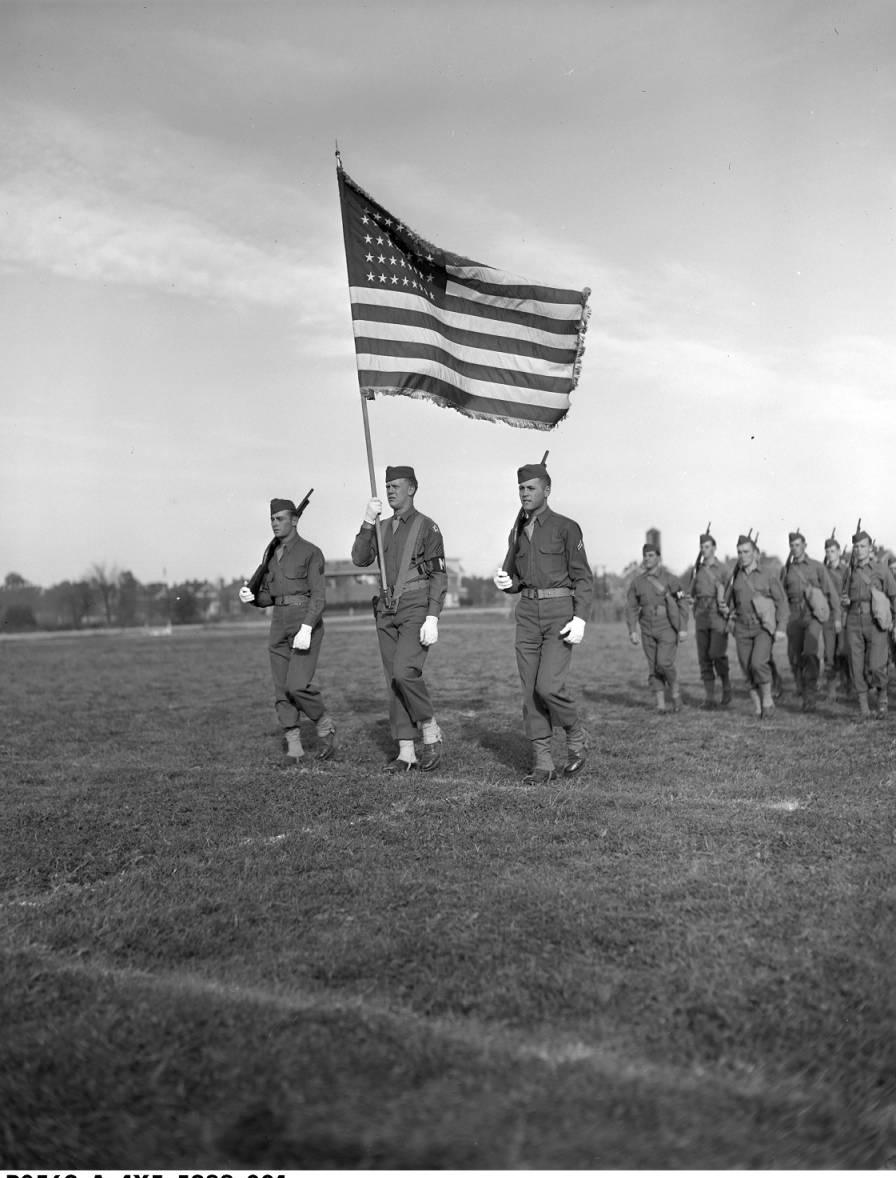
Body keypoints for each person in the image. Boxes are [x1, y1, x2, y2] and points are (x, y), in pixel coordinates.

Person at [493, 459, 593, 782]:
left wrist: (580, 618)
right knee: (529, 691)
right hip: (527, 614)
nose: (524, 493)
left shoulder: (566, 527)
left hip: (559, 614)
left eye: (530, 488)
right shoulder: (519, 530)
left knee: (548, 686)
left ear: (547, 491)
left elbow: (583, 578)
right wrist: (510, 584)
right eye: (521, 488)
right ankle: (543, 763)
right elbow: (520, 578)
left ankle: (576, 734)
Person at [351, 465, 446, 771]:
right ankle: (406, 751)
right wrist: (367, 522)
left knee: (405, 671)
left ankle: (430, 729)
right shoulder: (381, 528)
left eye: (396, 485)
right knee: (393, 678)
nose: (390, 490)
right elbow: (360, 558)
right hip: (385, 608)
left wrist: (433, 616)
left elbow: (439, 576)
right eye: (387, 485)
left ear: (412, 489)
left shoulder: (427, 527)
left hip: (416, 604)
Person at [239, 497, 336, 764]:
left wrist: (307, 626)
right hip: (279, 622)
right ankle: (294, 745)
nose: (274, 523)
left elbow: (318, 596)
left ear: (294, 520)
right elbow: (269, 596)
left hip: (305, 621)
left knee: (297, 685)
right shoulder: (271, 556)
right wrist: (253, 598)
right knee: (281, 687)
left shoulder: (310, 552)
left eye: (280, 518)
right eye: (272, 519)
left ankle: (324, 724)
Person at [722, 533, 788, 718]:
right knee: (747, 668)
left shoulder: (768, 575)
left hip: (762, 627)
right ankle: (758, 708)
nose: (742, 555)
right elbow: (729, 602)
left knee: (758, 663)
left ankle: (768, 700)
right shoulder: (735, 577)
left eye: (746, 552)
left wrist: (781, 628)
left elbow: (781, 602)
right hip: (741, 628)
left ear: (755, 553)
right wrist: (725, 609)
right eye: (739, 552)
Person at [780, 530, 840, 712]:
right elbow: (781, 597)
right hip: (793, 616)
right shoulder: (786, 570)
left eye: (798, 545)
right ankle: (802, 687)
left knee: (810, 653)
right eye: (792, 546)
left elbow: (831, 592)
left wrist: (837, 617)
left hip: (812, 616)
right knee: (796, 657)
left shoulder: (817, 567)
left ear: (804, 546)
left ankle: (810, 697)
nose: (795, 548)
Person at [626, 542, 690, 713]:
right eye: (645, 556)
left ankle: (675, 692)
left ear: (659, 558)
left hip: (667, 626)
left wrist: (683, 627)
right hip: (646, 626)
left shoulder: (671, 579)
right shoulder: (637, 582)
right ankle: (660, 704)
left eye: (651, 555)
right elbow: (631, 607)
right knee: (653, 665)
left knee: (664, 662)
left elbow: (682, 601)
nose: (647, 559)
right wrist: (632, 630)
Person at [839, 528, 896, 720]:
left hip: (875, 622)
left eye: (863, 546)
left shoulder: (881, 569)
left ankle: (882, 699)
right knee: (856, 665)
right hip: (854, 620)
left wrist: (894, 622)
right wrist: (845, 601)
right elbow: (843, 594)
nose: (858, 550)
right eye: (856, 547)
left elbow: (894, 595)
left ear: (870, 548)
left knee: (876, 665)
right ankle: (863, 708)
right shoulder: (849, 570)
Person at [688, 529, 731, 709]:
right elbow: (690, 592)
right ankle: (710, 698)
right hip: (701, 616)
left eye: (707, 546)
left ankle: (726, 683)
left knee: (716, 654)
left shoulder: (723, 570)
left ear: (714, 548)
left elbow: (730, 593)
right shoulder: (697, 569)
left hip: (718, 616)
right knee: (704, 658)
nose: (704, 550)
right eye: (702, 547)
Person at [822, 531, 850, 701]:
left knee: (844, 651)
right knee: (829, 653)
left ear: (839, 552)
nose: (830, 554)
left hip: (845, 615)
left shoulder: (846, 571)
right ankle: (831, 691)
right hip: (828, 617)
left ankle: (848, 683)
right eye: (827, 551)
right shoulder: (822, 571)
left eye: (833, 551)